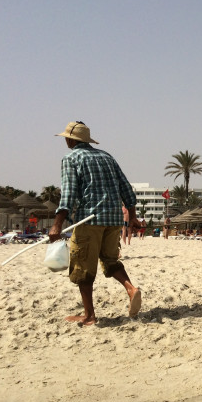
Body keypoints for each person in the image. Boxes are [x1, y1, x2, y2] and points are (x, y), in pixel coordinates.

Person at [48, 121, 142, 327]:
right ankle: (131, 289)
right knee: (110, 260)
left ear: (70, 139)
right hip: (114, 220)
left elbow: (69, 194)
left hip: (89, 219)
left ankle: (89, 315)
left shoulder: (71, 157)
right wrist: (133, 216)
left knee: (82, 267)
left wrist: (57, 225)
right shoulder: (107, 157)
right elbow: (126, 188)